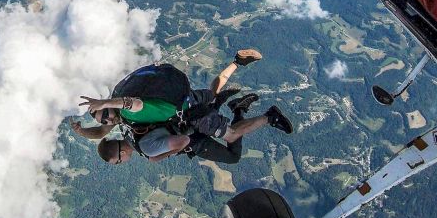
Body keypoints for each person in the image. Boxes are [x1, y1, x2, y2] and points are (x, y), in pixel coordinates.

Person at [97, 92, 293, 164]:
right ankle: (237, 109)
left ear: (122, 152)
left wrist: (157, 157)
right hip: (187, 122)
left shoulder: (146, 148)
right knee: (226, 134)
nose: (122, 162)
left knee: (232, 154)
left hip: (194, 141)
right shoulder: (127, 128)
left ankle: (269, 117)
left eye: (118, 161)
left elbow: (183, 142)